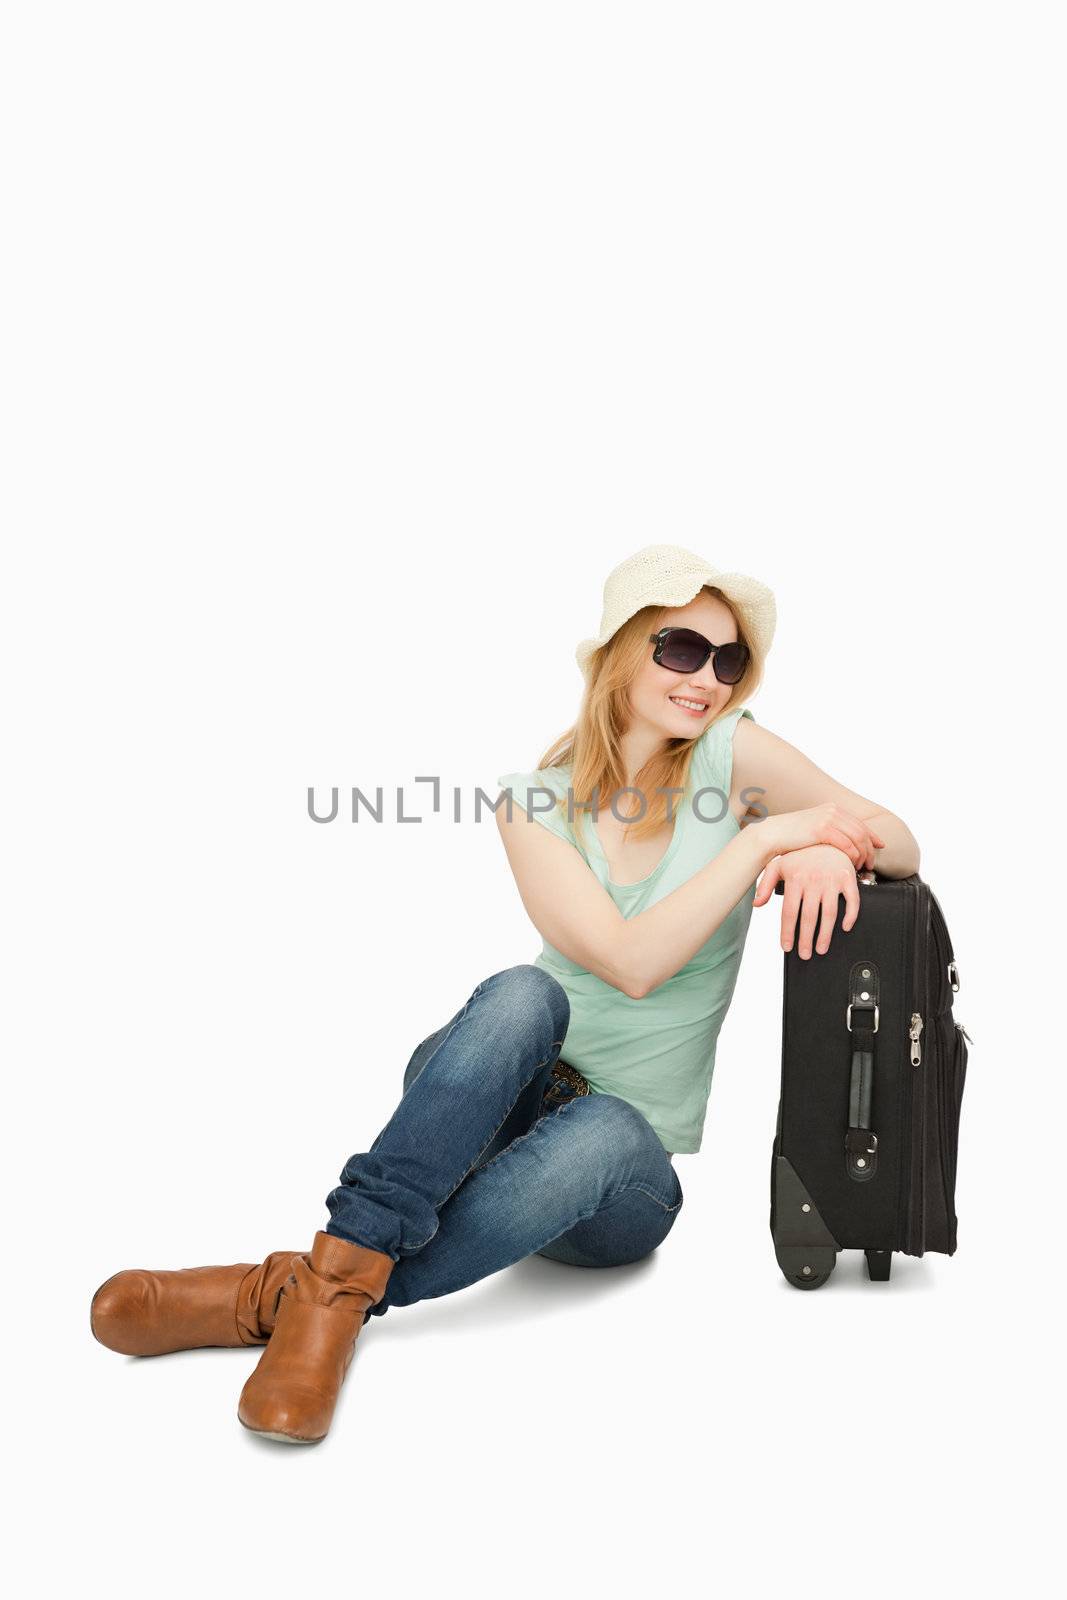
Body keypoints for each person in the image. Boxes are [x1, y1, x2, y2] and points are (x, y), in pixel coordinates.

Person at [90, 543, 918, 1444]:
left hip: (615, 1181)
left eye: (727, 661)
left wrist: (825, 844)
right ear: (620, 652)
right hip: (492, 1103)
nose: (707, 680)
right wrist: (763, 844)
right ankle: (328, 1295)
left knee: (609, 1127)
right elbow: (629, 961)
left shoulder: (731, 757)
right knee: (525, 992)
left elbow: (898, 837)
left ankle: (294, 1294)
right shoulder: (533, 803)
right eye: (681, 649)